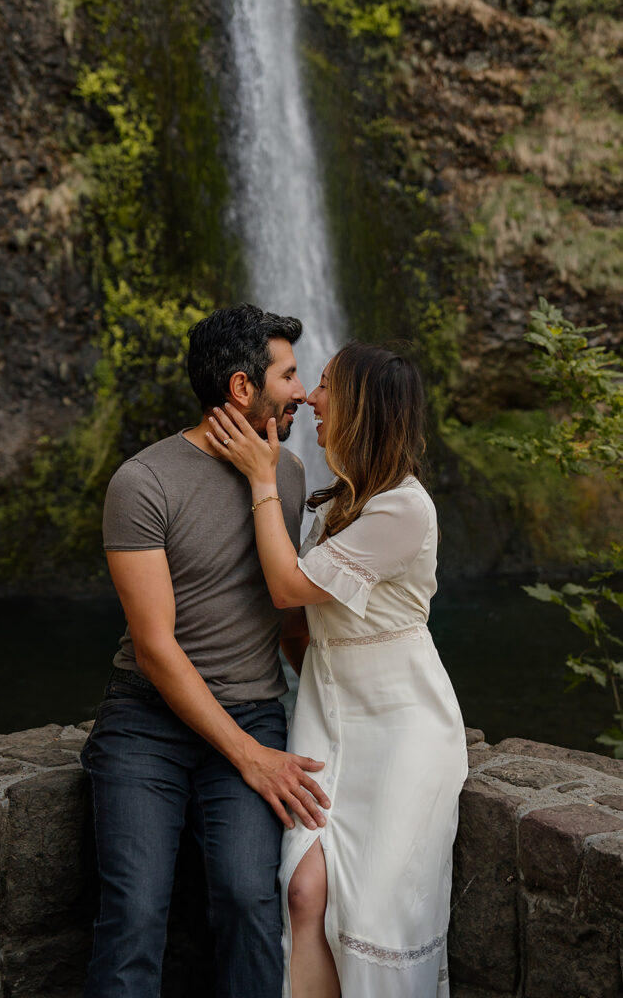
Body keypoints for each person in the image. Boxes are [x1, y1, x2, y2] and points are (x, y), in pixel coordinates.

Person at [80, 302, 331, 998]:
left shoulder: (286, 475)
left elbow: (289, 621)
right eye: (287, 375)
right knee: (132, 912)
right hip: (147, 723)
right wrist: (252, 759)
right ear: (243, 388)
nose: (304, 393)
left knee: (251, 898)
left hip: (253, 710)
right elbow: (157, 651)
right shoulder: (143, 482)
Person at [209, 341, 468, 998]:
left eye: (324, 385)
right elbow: (300, 628)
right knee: (302, 891)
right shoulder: (334, 504)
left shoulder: (402, 509)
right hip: (329, 718)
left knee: (376, 919)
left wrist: (262, 480)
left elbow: (288, 590)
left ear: (361, 405)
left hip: (403, 727)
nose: (309, 398)